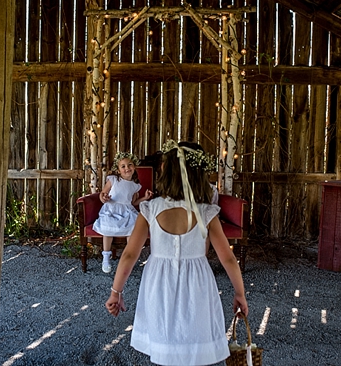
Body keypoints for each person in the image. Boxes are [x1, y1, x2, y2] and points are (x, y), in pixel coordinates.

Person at [106, 142, 249, 366]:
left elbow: (129, 255)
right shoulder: (206, 212)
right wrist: (239, 293)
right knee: (194, 329)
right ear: (199, 175)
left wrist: (116, 292)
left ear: (166, 172)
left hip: (159, 281)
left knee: (164, 329)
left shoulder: (151, 208)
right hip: (197, 282)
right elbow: (228, 258)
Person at [93, 153, 149, 273]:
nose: (127, 168)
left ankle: (129, 258)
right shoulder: (113, 180)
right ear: (118, 170)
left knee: (133, 228)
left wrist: (144, 198)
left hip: (126, 210)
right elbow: (102, 194)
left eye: (130, 165)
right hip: (111, 209)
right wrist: (104, 198)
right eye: (123, 166)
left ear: (134, 167)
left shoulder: (135, 185)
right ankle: (106, 256)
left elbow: (133, 202)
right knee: (107, 227)